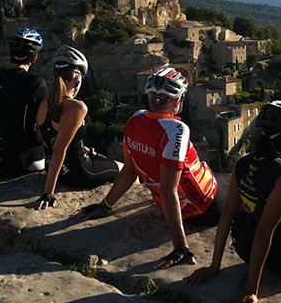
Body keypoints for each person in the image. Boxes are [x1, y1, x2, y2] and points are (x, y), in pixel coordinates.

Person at [71, 67, 226, 269]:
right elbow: (169, 190)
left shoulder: (134, 120)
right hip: (205, 206)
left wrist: (105, 206)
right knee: (236, 179)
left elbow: (129, 172)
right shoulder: (177, 130)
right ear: (177, 100)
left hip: (167, 205)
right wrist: (181, 247)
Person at [186, 100, 281, 303]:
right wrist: (251, 290)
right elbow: (264, 231)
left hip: (249, 247)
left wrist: (214, 267)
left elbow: (227, 215)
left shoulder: (243, 163)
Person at [33, 45, 121, 210]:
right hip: (81, 173)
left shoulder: (44, 104)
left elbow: (46, 139)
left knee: (105, 161)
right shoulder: (77, 108)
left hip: (57, 172)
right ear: (78, 79)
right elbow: (59, 149)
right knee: (124, 170)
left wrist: (92, 152)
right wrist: (48, 192)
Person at [0, 27, 47, 177]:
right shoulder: (37, 84)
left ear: (9, 54)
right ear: (34, 59)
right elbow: (41, 134)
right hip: (24, 162)